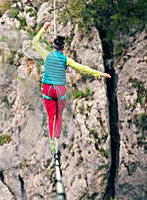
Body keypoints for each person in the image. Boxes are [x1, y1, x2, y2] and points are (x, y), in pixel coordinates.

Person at [32, 22, 111, 154]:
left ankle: (53, 142)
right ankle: (56, 136)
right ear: (63, 48)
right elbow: (81, 67)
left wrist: (44, 29)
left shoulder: (47, 55)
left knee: (51, 116)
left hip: (47, 90)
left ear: (53, 46)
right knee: (59, 115)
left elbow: (35, 43)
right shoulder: (66, 60)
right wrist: (98, 74)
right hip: (59, 90)